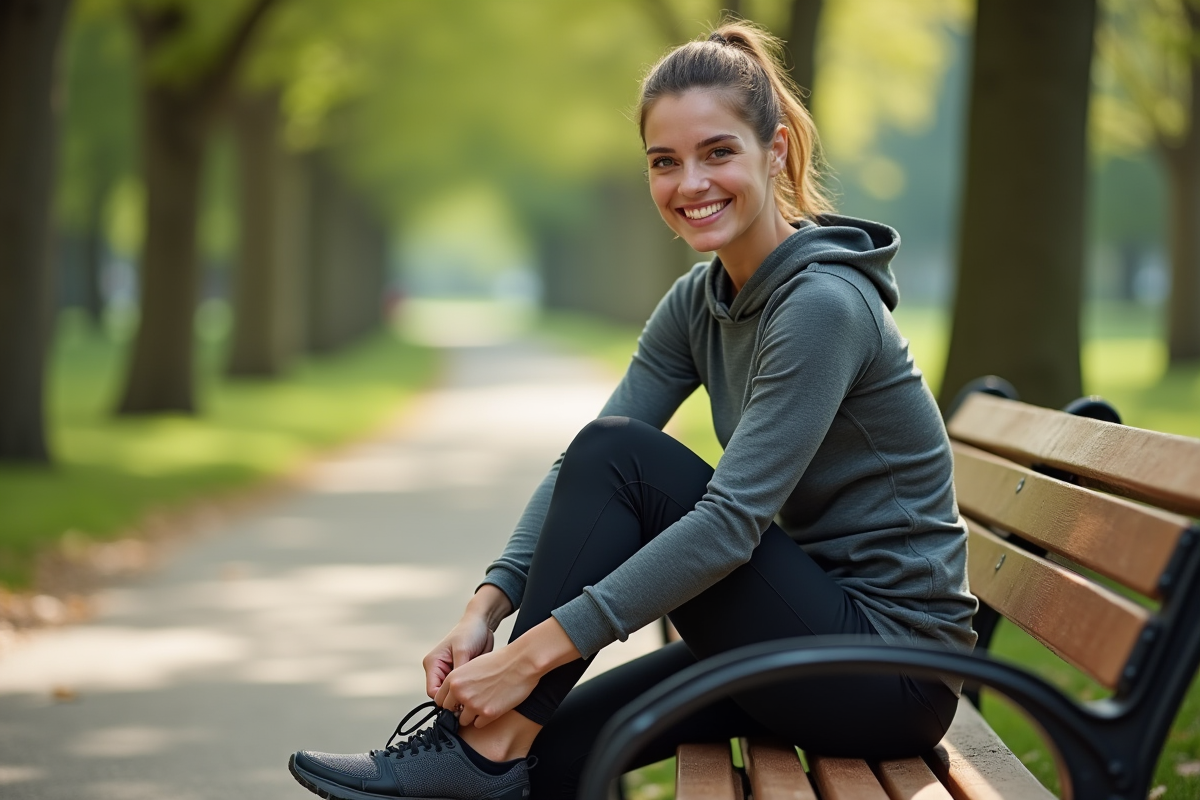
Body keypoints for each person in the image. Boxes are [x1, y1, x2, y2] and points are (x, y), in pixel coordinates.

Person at [288, 19, 977, 800]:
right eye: (664, 162)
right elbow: (577, 470)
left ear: (774, 151)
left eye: (718, 152)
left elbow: (726, 523)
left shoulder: (822, 305)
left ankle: (479, 750)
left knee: (624, 459)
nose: (691, 184)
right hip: (804, 634)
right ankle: (486, 754)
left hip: (890, 674)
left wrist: (530, 655)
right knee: (547, 760)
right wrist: (486, 607)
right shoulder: (702, 300)